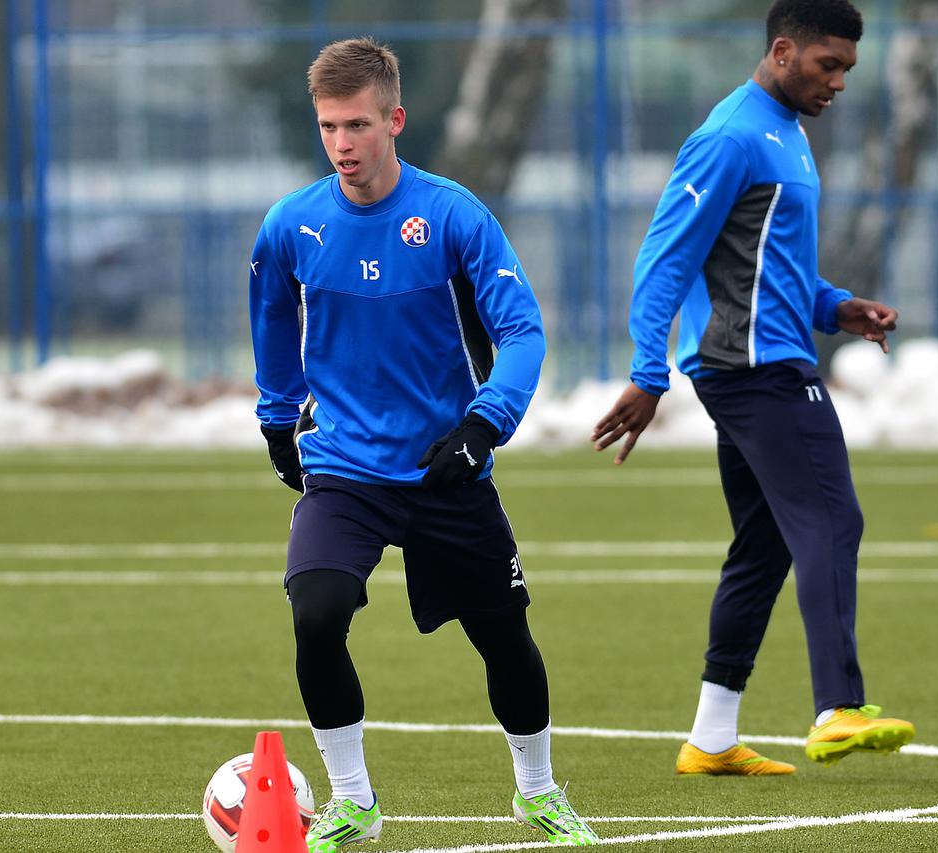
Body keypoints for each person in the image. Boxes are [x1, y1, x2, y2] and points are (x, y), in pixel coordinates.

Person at [250, 37, 598, 851]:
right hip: (343, 468)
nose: (342, 143)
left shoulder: (451, 216)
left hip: (447, 466)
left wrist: (484, 424)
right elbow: (271, 317)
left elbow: (521, 332)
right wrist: (276, 413)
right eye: (329, 126)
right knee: (316, 611)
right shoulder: (291, 226)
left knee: (504, 636)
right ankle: (353, 799)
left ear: (394, 120)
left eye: (358, 124)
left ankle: (539, 792)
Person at [592, 0, 914, 776]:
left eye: (846, 70)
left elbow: (770, 268)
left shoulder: (790, 135)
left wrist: (836, 306)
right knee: (834, 520)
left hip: (759, 358)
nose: (837, 82)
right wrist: (646, 373)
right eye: (826, 64)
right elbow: (665, 258)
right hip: (756, 370)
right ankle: (837, 705)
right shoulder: (731, 136)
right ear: (781, 51)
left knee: (765, 545)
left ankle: (710, 735)